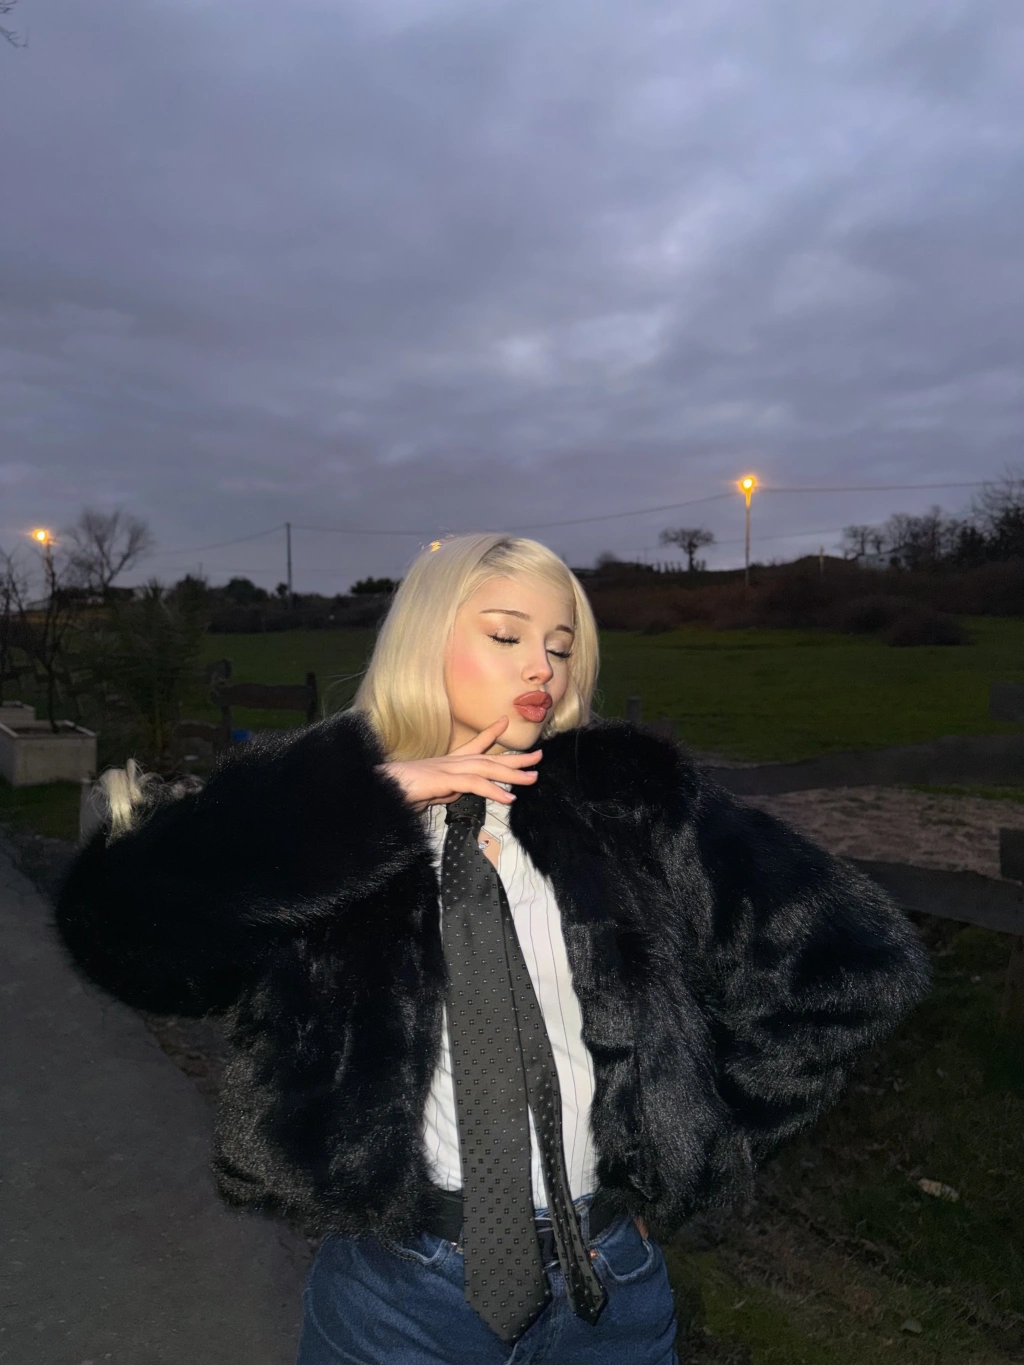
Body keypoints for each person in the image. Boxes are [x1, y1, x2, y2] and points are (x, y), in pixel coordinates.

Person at [54, 532, 931, 1365]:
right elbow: (118, 931)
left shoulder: (629, 804)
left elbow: (855, 964)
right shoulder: (329, 834)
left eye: (560, 644)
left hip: (612, 1296)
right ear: (425, 641)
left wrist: (693, 1148)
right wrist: (362, 801)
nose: (541, 666)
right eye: (507, 635)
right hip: (397, 1297)